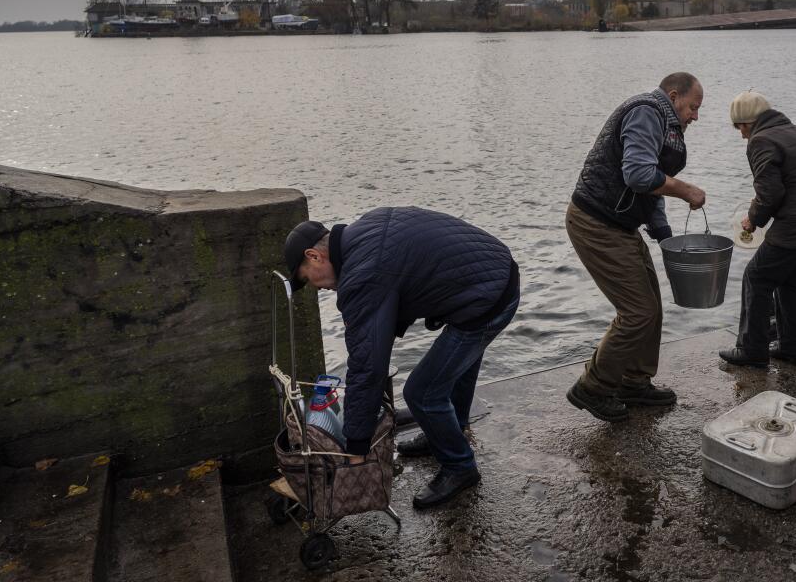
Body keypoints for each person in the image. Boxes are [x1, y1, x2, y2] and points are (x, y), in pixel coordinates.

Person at [284, 208, 520, 509]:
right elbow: (403, 275)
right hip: (493, 274)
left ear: (314, 256)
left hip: (489, 297)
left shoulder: (362, 274)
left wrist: (356, 444)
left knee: (422, 392)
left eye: (309, 279)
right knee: (456, 369)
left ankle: (460, 467)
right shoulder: (365, 229)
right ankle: (447, 434)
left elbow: (367, 366)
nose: (319, 288)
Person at [565, 72, 707, 422]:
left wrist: (663, 234)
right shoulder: (647, 112)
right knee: (637, 311)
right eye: (693, 107)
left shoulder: (667, 122)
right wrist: (686, 189)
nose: (695, 116)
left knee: (652, 307)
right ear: (674, 96)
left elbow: (652, 186)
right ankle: (592, 387)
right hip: (595, 221)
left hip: (622, 223)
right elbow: (639, 175)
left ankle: (634, 382)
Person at [718, 91, 796, 368]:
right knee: (790, 282)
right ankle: (792, 348)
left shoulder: (762, 141)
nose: (742, 136)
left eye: (741, 128)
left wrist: (753, 219)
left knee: (756, 277)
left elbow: (770, 193)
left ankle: (752, 350)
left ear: (750, 123)